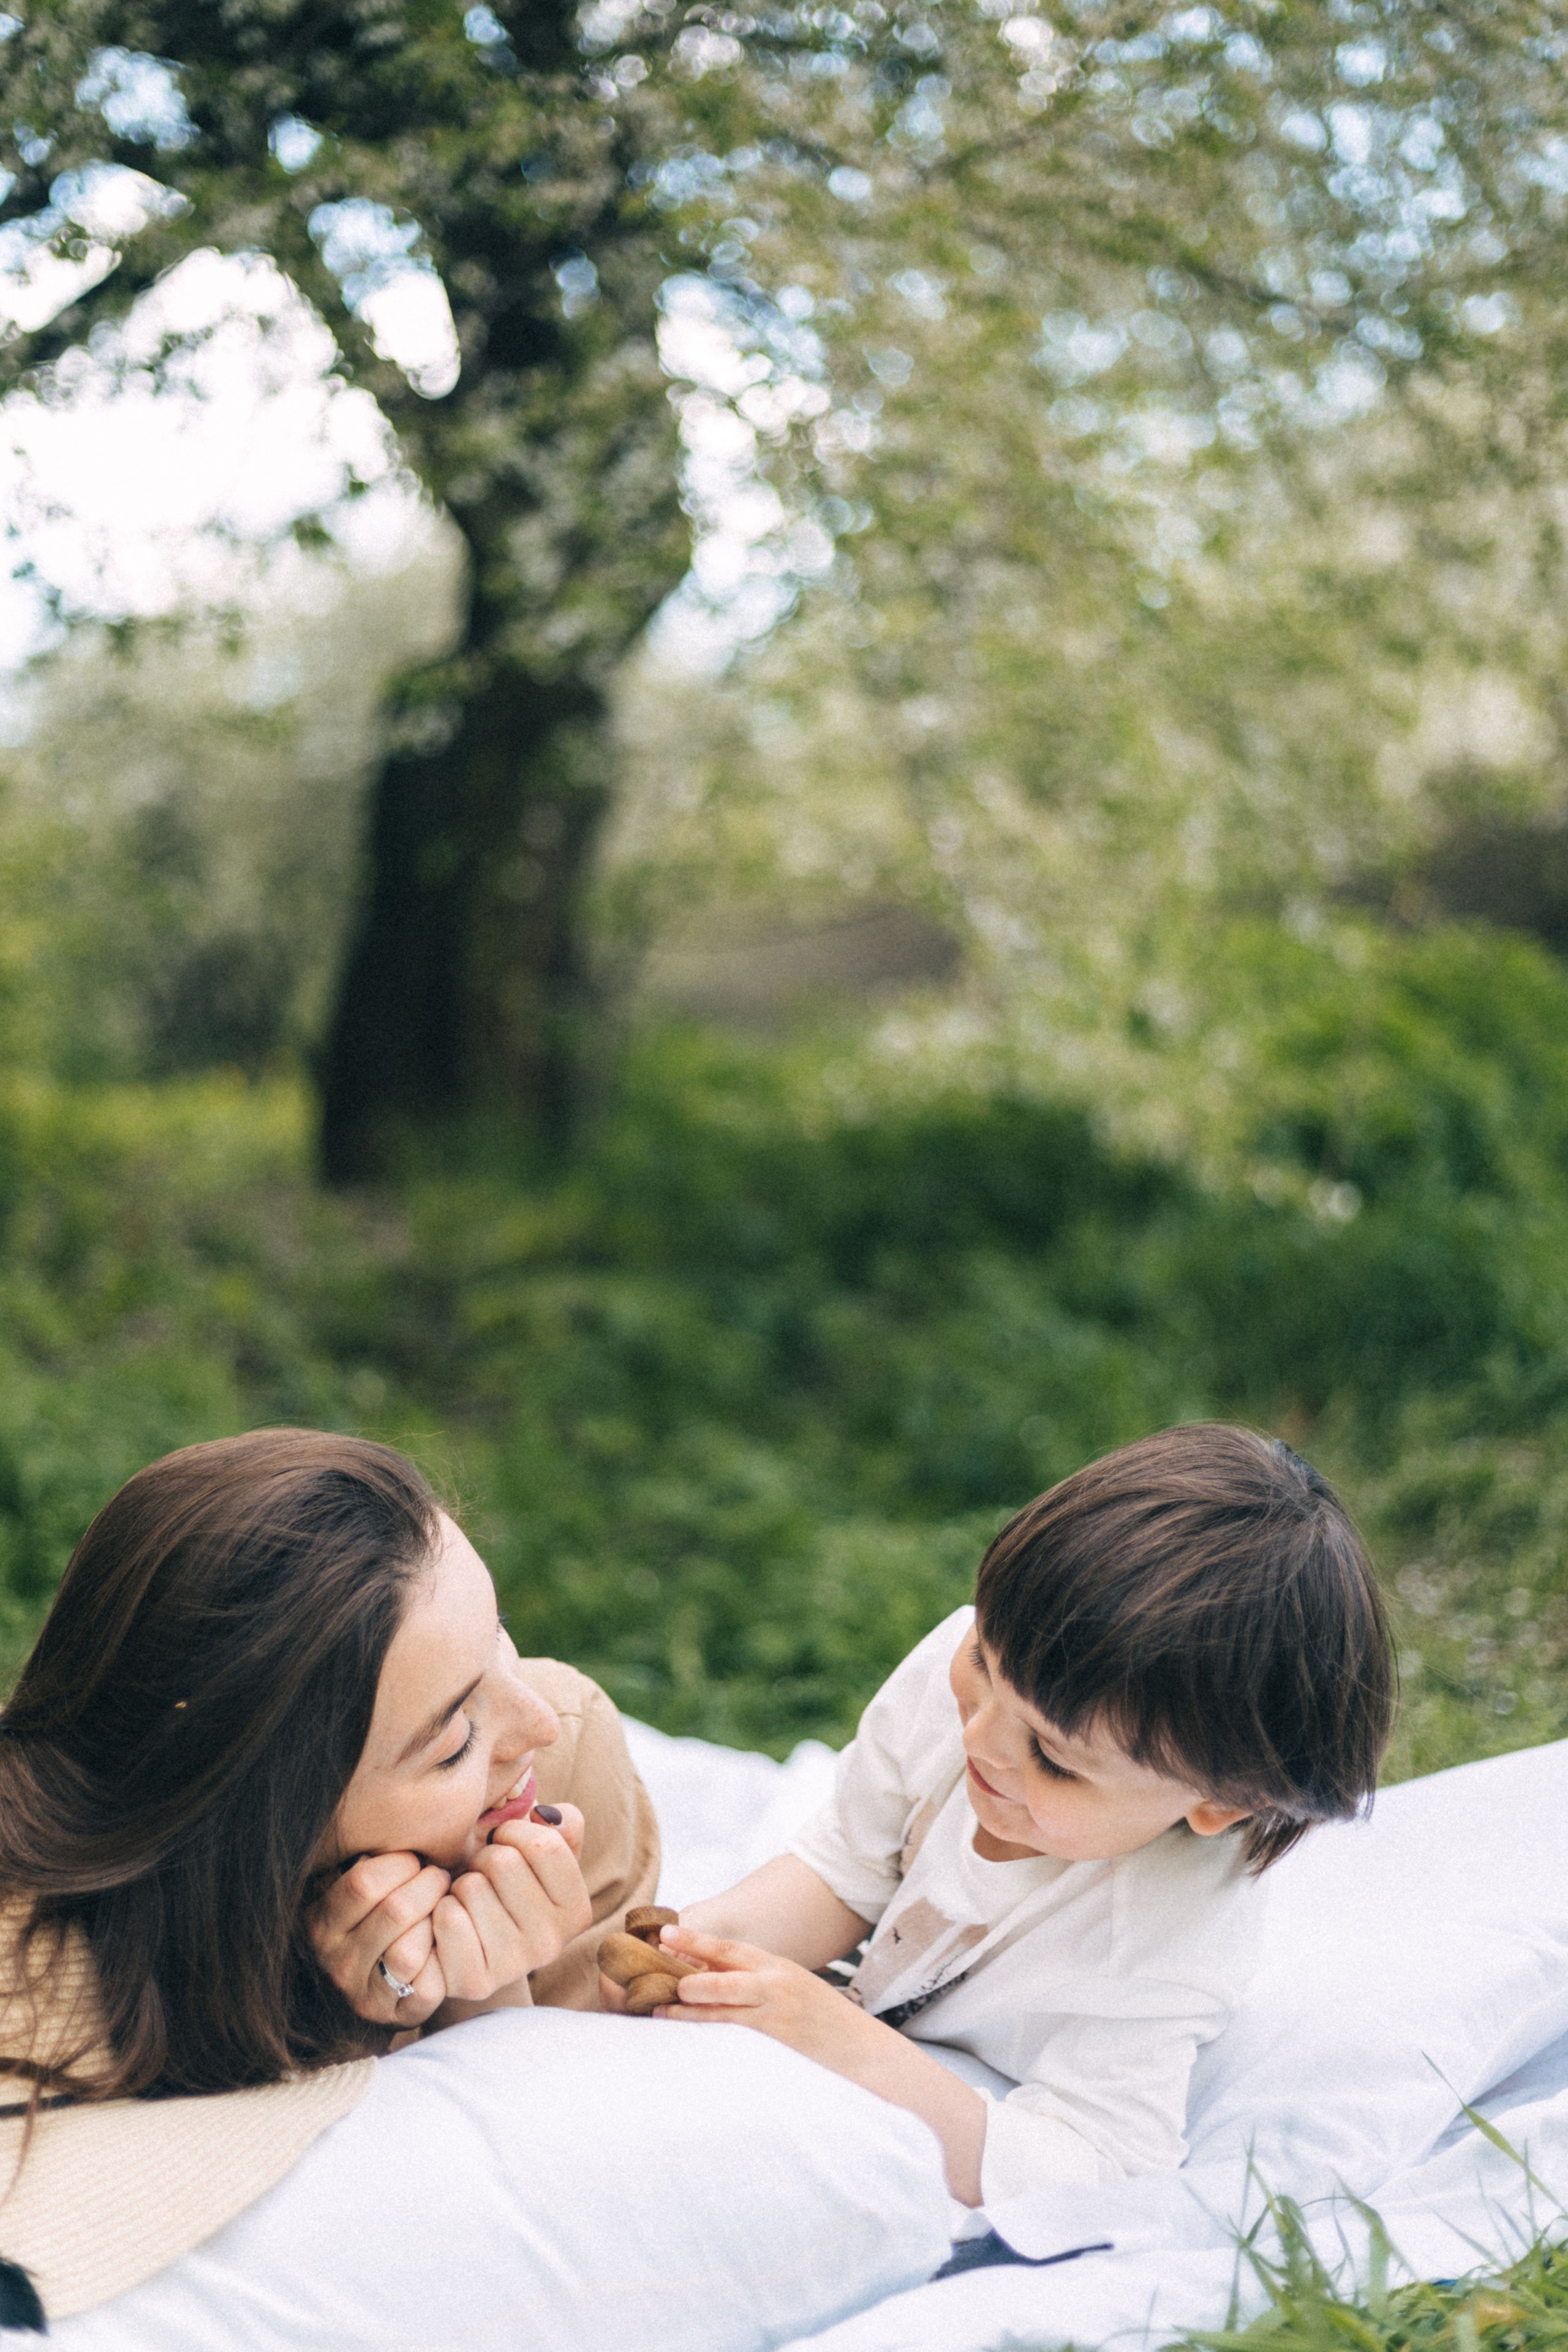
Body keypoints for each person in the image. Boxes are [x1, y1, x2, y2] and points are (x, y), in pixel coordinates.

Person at [636, 1425, 1396, 2233]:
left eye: (1052, 1757)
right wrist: (691, 1947)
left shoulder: (1155, 1945)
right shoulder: (951, 1683)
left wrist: (848, 2047)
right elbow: (845, 1870)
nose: (981, 1739)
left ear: (1215, 1804)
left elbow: (1097, 2167)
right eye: (983, 1663)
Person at [0, 1428, 658, 2321]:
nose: (532, 1722)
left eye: (499, 1638)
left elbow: (589, 2234)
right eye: (456, 1740)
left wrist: (485, 2004)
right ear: (278, 1835)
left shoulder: (568, 1766)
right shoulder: (46, 1980)